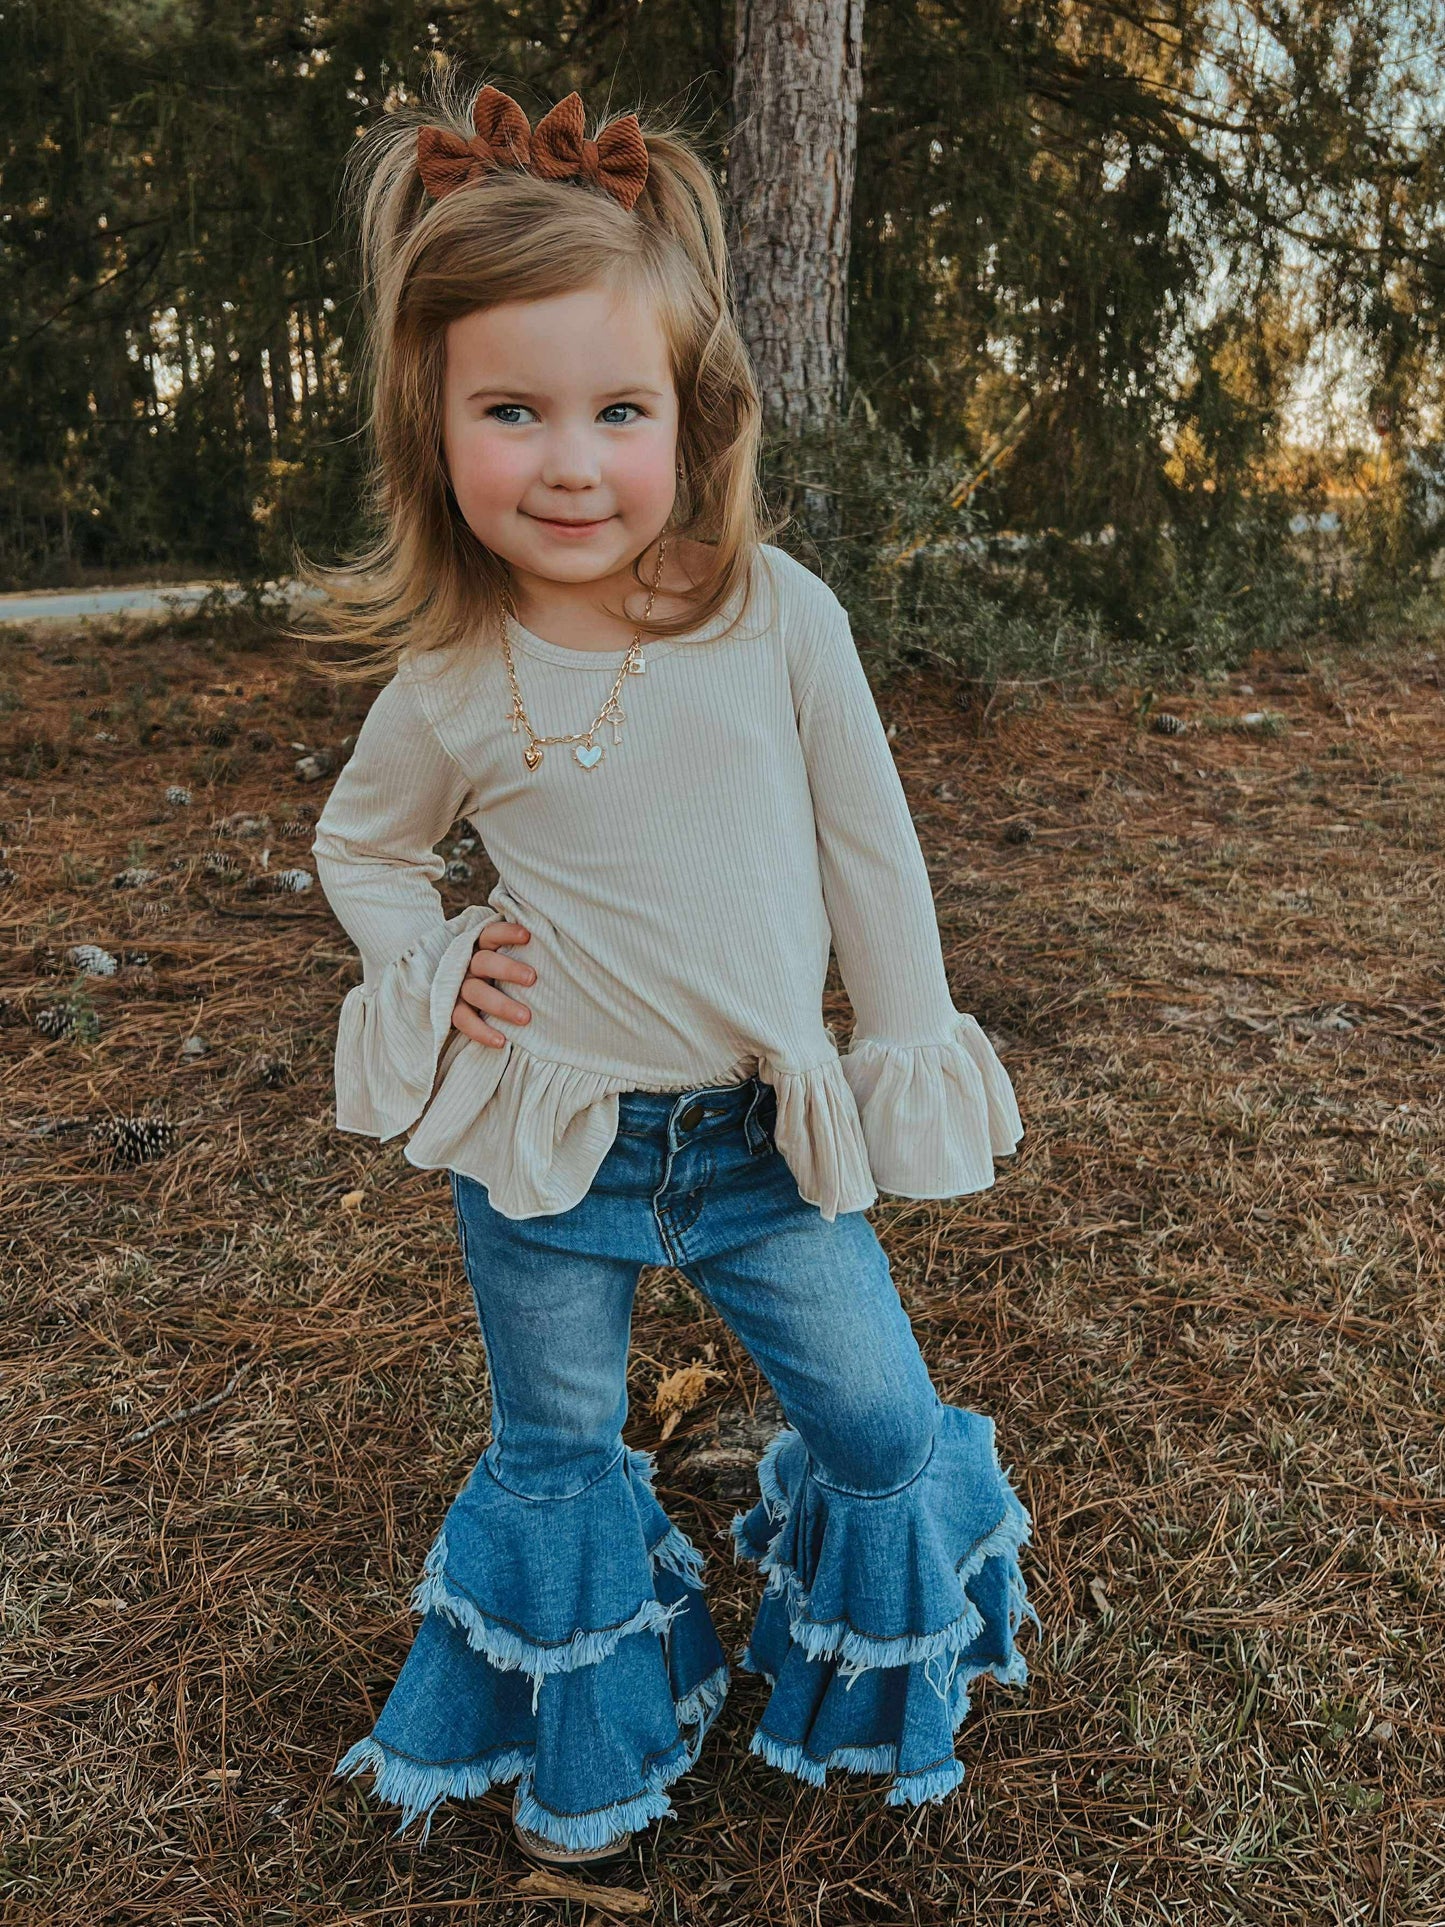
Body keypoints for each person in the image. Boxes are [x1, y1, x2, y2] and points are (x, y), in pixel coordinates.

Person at [302, 74, 1039, 1868]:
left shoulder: (773, 612)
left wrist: (907, 1039)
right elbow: (363, 847)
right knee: (553, 1446)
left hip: (760, 1141)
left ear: (690, 418)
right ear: (432, 422)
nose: (568, 461)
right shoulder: (451, 681)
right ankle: (588, 1730)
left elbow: (868, 847)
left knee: (873, 1414)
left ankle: (862, 1673)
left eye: (615, 410)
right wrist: (434, 963)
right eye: (511, 411)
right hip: (548, 1151)